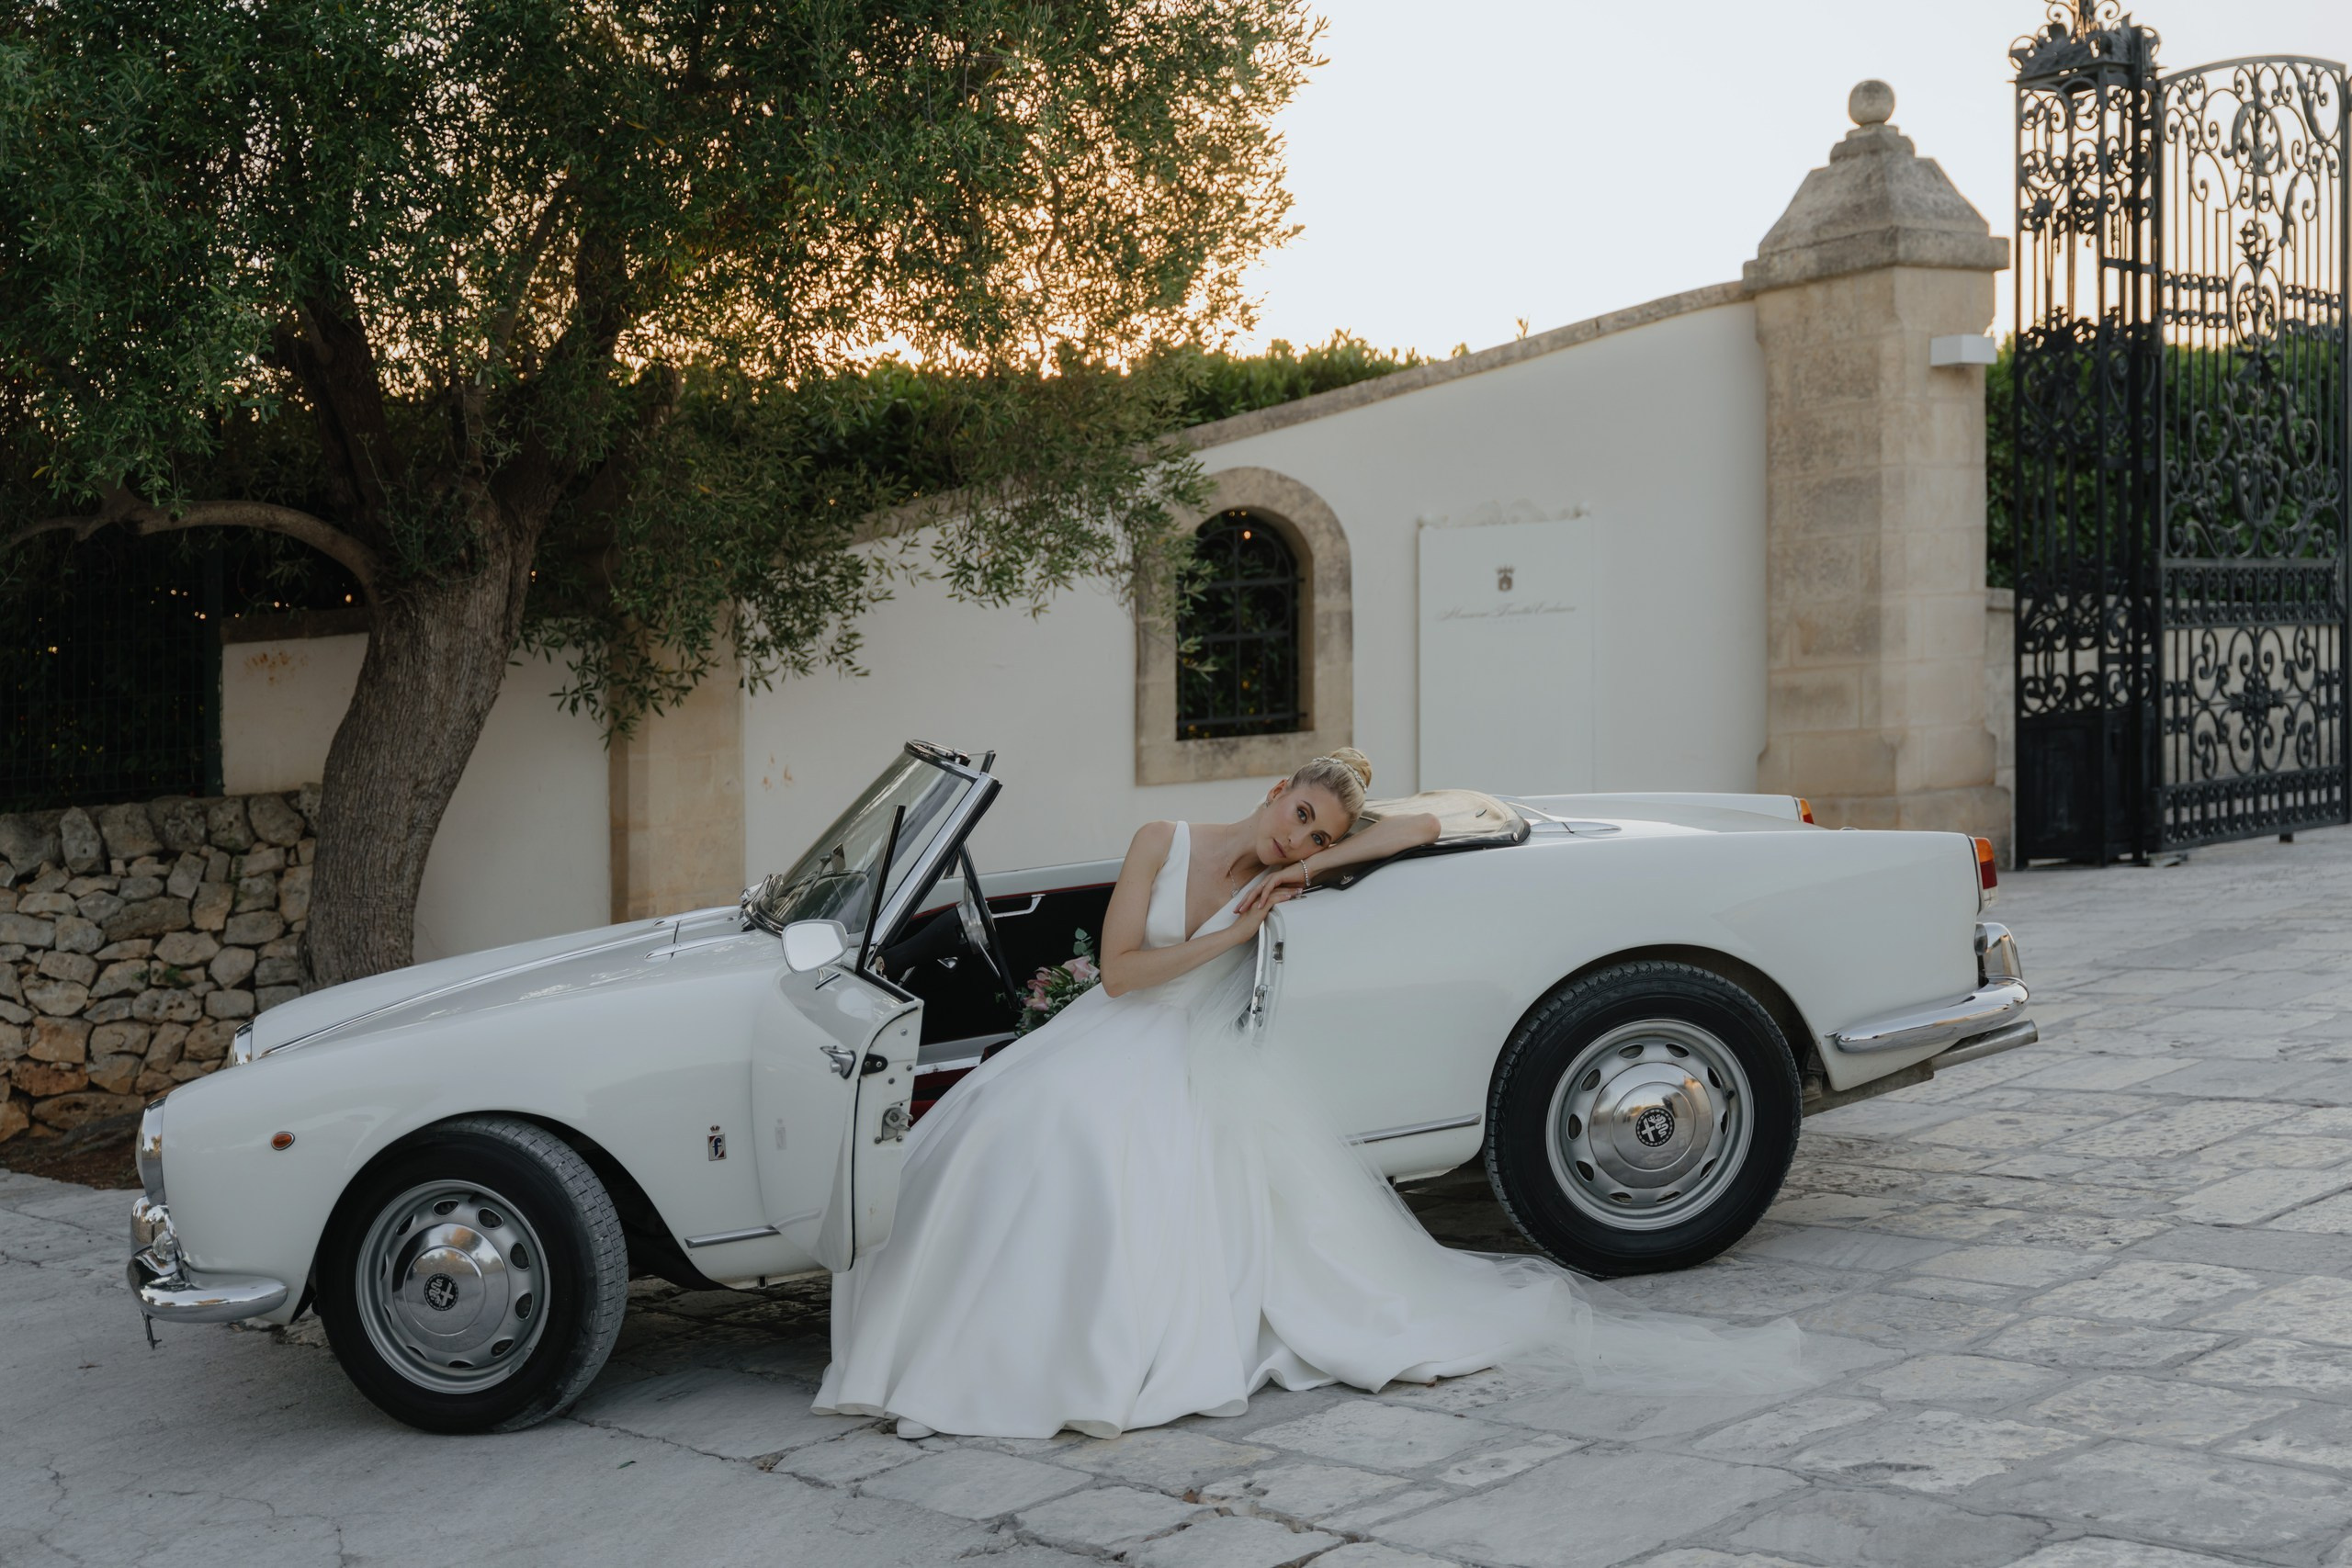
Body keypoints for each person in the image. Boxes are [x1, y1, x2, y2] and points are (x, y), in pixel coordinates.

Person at [815, 748, 1804, 1440]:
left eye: (1317, 835)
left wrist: (1324, 866)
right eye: (1300, 817)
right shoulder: (1161, 837)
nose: (1298, 841)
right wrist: (1231, 932)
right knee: (1007, 1119)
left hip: (1189, 1051)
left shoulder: (1294, 876)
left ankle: (1052, 1350)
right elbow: (1118, 973)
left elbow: (1419, 824)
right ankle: (963, 1337)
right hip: (1114, 1027)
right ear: (1277, 787)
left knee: (1078, 1137)